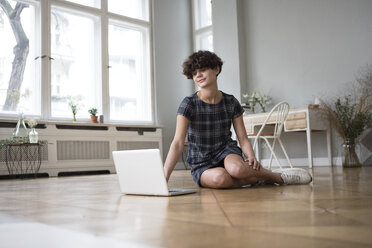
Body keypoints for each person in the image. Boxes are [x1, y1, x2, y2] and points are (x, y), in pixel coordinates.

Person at [163, 50, 312, 189]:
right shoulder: (188, 103)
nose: (198, 75)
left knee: (238, 168)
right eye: (194, 73)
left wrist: (251, 156)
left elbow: (242, 137)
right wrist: (164, 177)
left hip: (226, 151)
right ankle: (255, 178)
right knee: (221, 179)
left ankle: (278, 177)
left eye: (203, 70)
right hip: (201, 161)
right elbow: (177, 143)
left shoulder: (231, 101)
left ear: (216, 69)